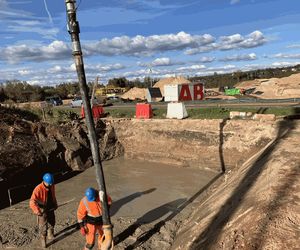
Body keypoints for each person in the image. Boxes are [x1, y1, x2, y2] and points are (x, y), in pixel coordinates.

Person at [29, 173, 58, 248]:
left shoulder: (52, 185)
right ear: (45, 181)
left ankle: (50, 234)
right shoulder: (38, 189)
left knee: (52, 221)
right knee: (43, 227)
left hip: (50, 207)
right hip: (42, 209)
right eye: (50, 183)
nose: (51, 184)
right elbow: (32, 202)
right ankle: (43, 240)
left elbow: (53, 195)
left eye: (52, 183)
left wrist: (55, 204)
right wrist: (37, 211)